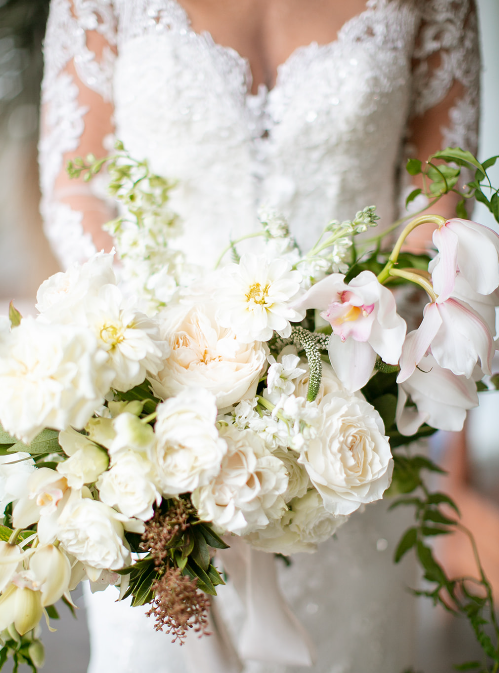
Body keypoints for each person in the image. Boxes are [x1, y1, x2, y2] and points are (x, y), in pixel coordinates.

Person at [39, 2, 480, 672]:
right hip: (159, 442)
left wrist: (340, 360)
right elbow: (76, 190)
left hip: (352, 408)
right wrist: (153, 370)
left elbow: (438, 196)